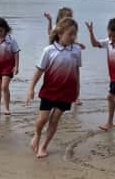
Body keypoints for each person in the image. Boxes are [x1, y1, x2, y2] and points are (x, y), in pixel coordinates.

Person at [25, 17, 81, 159]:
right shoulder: (49, 50)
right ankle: (37, 134)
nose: (73, 37)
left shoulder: (76, 50)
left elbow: (76, 71)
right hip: (49, 90)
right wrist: (31, 89)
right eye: (70, 34)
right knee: (42, 119)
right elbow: (39, 71)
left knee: (55, 119)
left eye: (75, 34)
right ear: (60, 33)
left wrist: (77, 90)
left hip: (67, 92)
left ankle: (43, 146)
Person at [44, 7, 86, 103]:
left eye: (71, 16)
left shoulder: (71, 29)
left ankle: (76, 96)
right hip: (56, 56)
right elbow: (50, 33)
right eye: (67, 16)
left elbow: (71, 40)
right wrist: (49, 20)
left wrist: (78, 44)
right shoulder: (57, 28)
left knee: (74, 76)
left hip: (69, 55)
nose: (70, 18)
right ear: (61, 17)